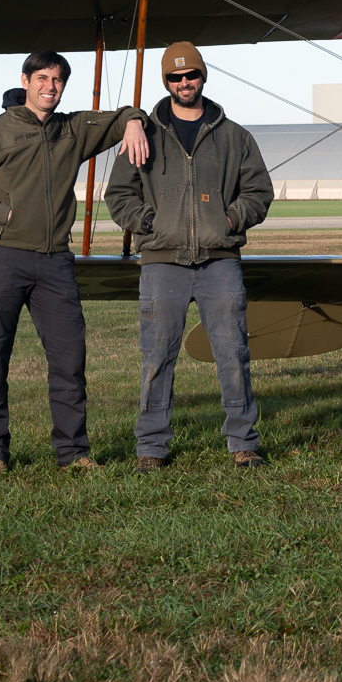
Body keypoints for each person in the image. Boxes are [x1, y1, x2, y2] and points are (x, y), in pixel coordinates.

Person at [0, 50, 150, 478]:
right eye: (42, 78)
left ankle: (73, 452)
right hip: (1, 258)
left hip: (55, 262)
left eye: (57, 79)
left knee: (68, 358)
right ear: (25, 81)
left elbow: (121, 115)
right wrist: (2, 214)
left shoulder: (72, 129)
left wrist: (134, 120)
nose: (50, 86)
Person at [105, 42, 275, 471]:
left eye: (191, 75)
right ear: (166, 82)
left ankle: (243, 442)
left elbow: (259, 192)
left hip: (220, 262)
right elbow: (119, 194)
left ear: (202, 77)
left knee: (233, 352)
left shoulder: (235, 135)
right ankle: (151, 448)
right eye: (175, 78)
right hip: (163, 263)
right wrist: (148, 224)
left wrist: (232, 220)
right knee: (156, 355)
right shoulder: (141, 133)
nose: (184, 83)